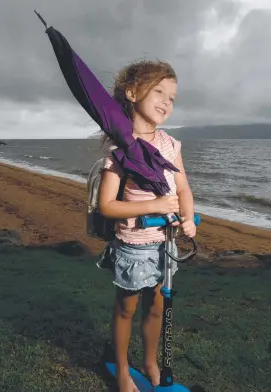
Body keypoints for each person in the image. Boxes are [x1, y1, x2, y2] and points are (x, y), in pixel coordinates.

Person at [97, 60, 196, 392]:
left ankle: (151, 361)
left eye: (172, 98)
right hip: (134, 245)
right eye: (159, 92)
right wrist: (153, 205)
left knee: (157, 305)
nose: (167, 102)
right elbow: (107, 205)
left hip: (165, 243)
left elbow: (183, 189)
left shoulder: (170, 145)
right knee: (127, 307)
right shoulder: (121, 150)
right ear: (131, 92)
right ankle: (123, 370)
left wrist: (187, 217)